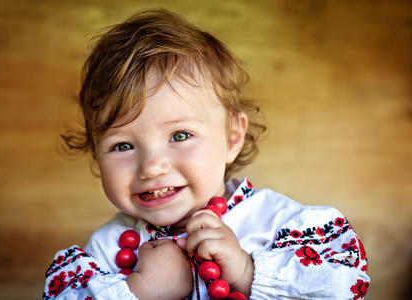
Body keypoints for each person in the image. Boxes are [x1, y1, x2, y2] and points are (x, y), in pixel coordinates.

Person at [43, 9, 370, 300]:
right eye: (122, 146)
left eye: (180, 135)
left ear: (233, 137)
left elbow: (344, 287)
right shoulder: (105, 250)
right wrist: (142, 291)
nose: (152, 167)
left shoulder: (279, 224)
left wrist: (247, 273)